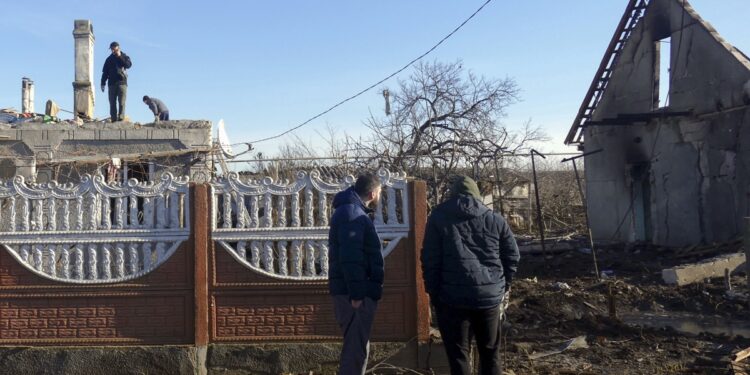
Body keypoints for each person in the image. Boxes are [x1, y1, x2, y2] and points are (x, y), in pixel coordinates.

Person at [421, 175, 520, 375]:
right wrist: (503, 286)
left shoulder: (438, 218)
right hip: (488, 298)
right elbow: (512, 256)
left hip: (451, 299)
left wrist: (433, 292)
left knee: (459, 357)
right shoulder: (494, 219)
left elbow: (429, 259)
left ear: (453, 194)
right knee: (490, 354)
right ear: (477, 195)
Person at [328, 173, 384, 375]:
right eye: (379, 191)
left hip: (351, 292)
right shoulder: (352, 214)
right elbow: (351, 258)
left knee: (357, 347)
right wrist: (358, 295)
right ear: (372, 192)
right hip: (353, 296)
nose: (379, 195)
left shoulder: (351, 211)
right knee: (355, 351)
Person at [100, 41, 132, 122]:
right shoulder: (108, 59)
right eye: (111, 49)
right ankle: (114, 120)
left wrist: (120, 56)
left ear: (118, 48)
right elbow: (105, 73)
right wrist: (102, 83)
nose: (112, 50)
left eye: (114, 49)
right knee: (112, 103)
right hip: (111, 84)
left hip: (122, 83)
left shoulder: (125, 56)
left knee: (122, 102)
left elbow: (128, 65)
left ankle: (121, 119)